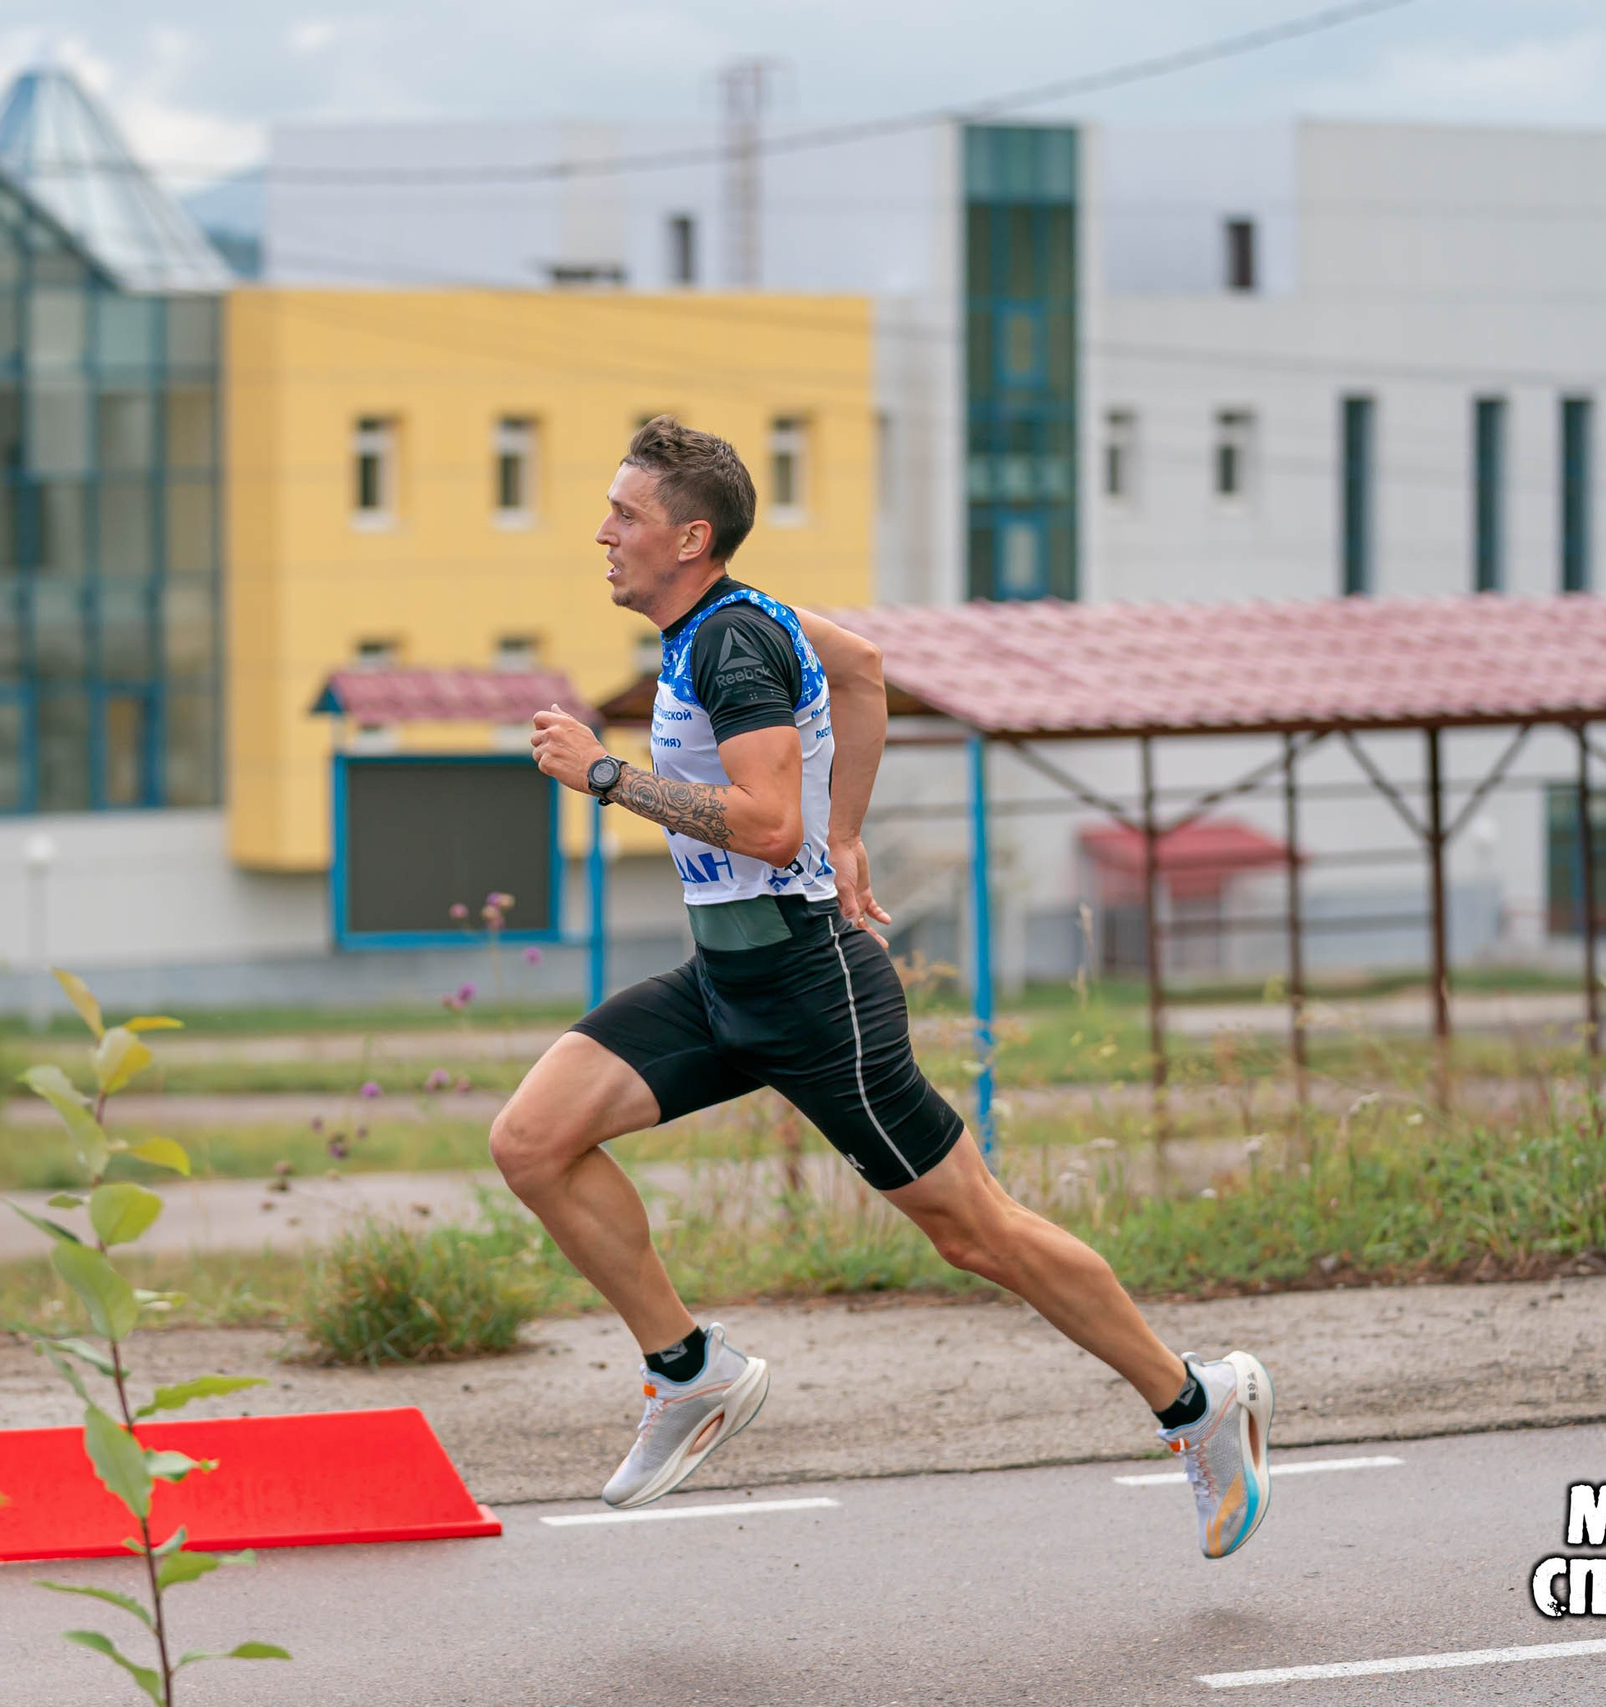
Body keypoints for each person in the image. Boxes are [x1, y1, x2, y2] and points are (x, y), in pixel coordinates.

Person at [504, 416, 1274, 1558]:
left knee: (977, 1233)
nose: (603, 533)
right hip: (726, 978)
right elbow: (862, 668)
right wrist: (848, 833)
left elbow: (767, 825)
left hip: (813, 993)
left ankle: (1195, 1402)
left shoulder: (730, 647)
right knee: (532, 1140)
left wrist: (609, 774)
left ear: (690, 537)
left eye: (626, 515)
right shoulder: (739, 616)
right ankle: (690, 1370)